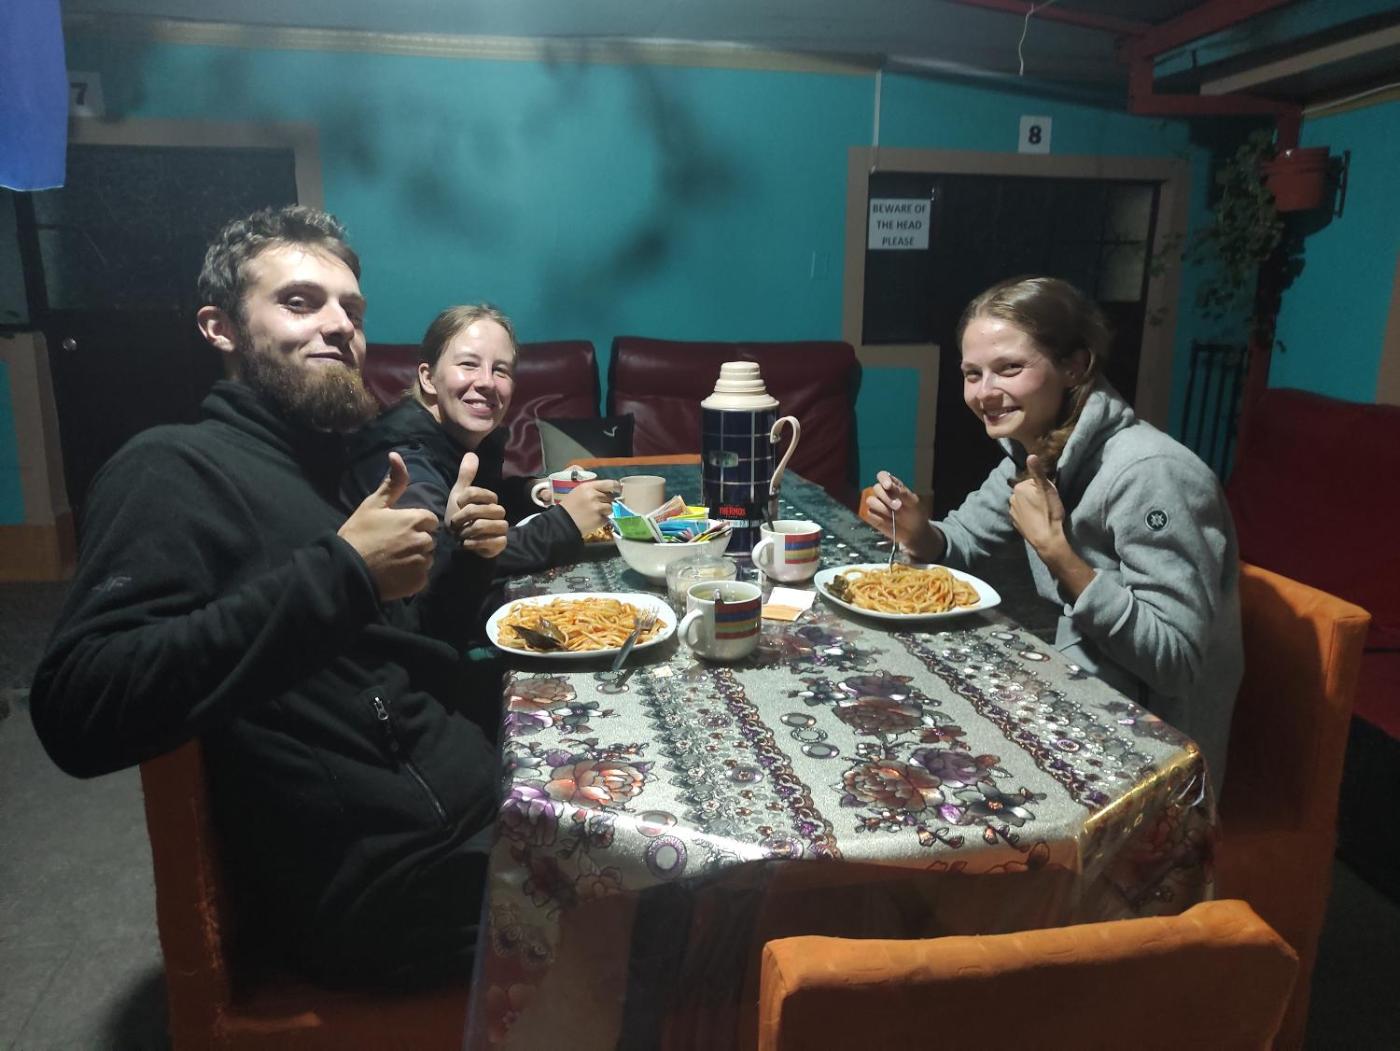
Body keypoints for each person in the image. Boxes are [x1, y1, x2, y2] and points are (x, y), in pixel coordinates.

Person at [29, 205, 508, 987]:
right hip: (393, 887)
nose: (338, 326)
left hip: (468, 808)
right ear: (220, 328)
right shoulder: (171, 468)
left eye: (351, 309)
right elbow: (77, 704)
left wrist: (465, 565)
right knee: (685, 908)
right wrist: (344, 573)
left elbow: (396, 653)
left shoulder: (333, 471)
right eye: (299, 301)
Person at [865, 276, 1242, 788]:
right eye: (972, 374)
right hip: (1072, 690)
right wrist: (919, 533)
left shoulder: (1153, 474)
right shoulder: (1036, 450)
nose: (984, 393)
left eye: (1009, 368)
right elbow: (963, 541)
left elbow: (1176, 663)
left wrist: (1057, 553)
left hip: (1158, 759)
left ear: (1074, 366)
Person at [342, 303, 618, 576]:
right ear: (428, 378)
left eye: (501, 370)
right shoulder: (406, 460)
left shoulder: (464, 436)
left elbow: (479, 506)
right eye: (468, 364)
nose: (487, 381)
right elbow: (441, 562)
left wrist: (534, 490)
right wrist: (566, 523)